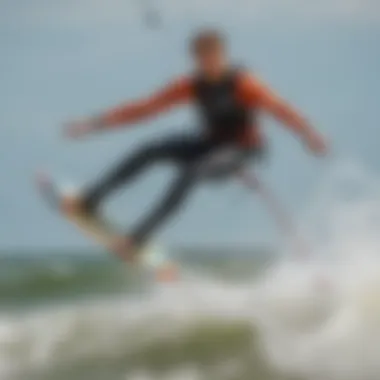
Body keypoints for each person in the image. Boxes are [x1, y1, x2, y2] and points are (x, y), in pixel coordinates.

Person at [64, 29, 327, 260]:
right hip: (209, 144)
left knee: (189, 173)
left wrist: (309, 134)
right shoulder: (190, 85)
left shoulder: (246, 84)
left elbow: (281, 110)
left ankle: (136, 240)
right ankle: (91, 201)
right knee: (148, 150)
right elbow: (144, 109)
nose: (208, 64)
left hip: (242, 151)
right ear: (195, 59)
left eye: (212, 57)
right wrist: (93, 124)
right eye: (202, 58)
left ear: (223, 55)